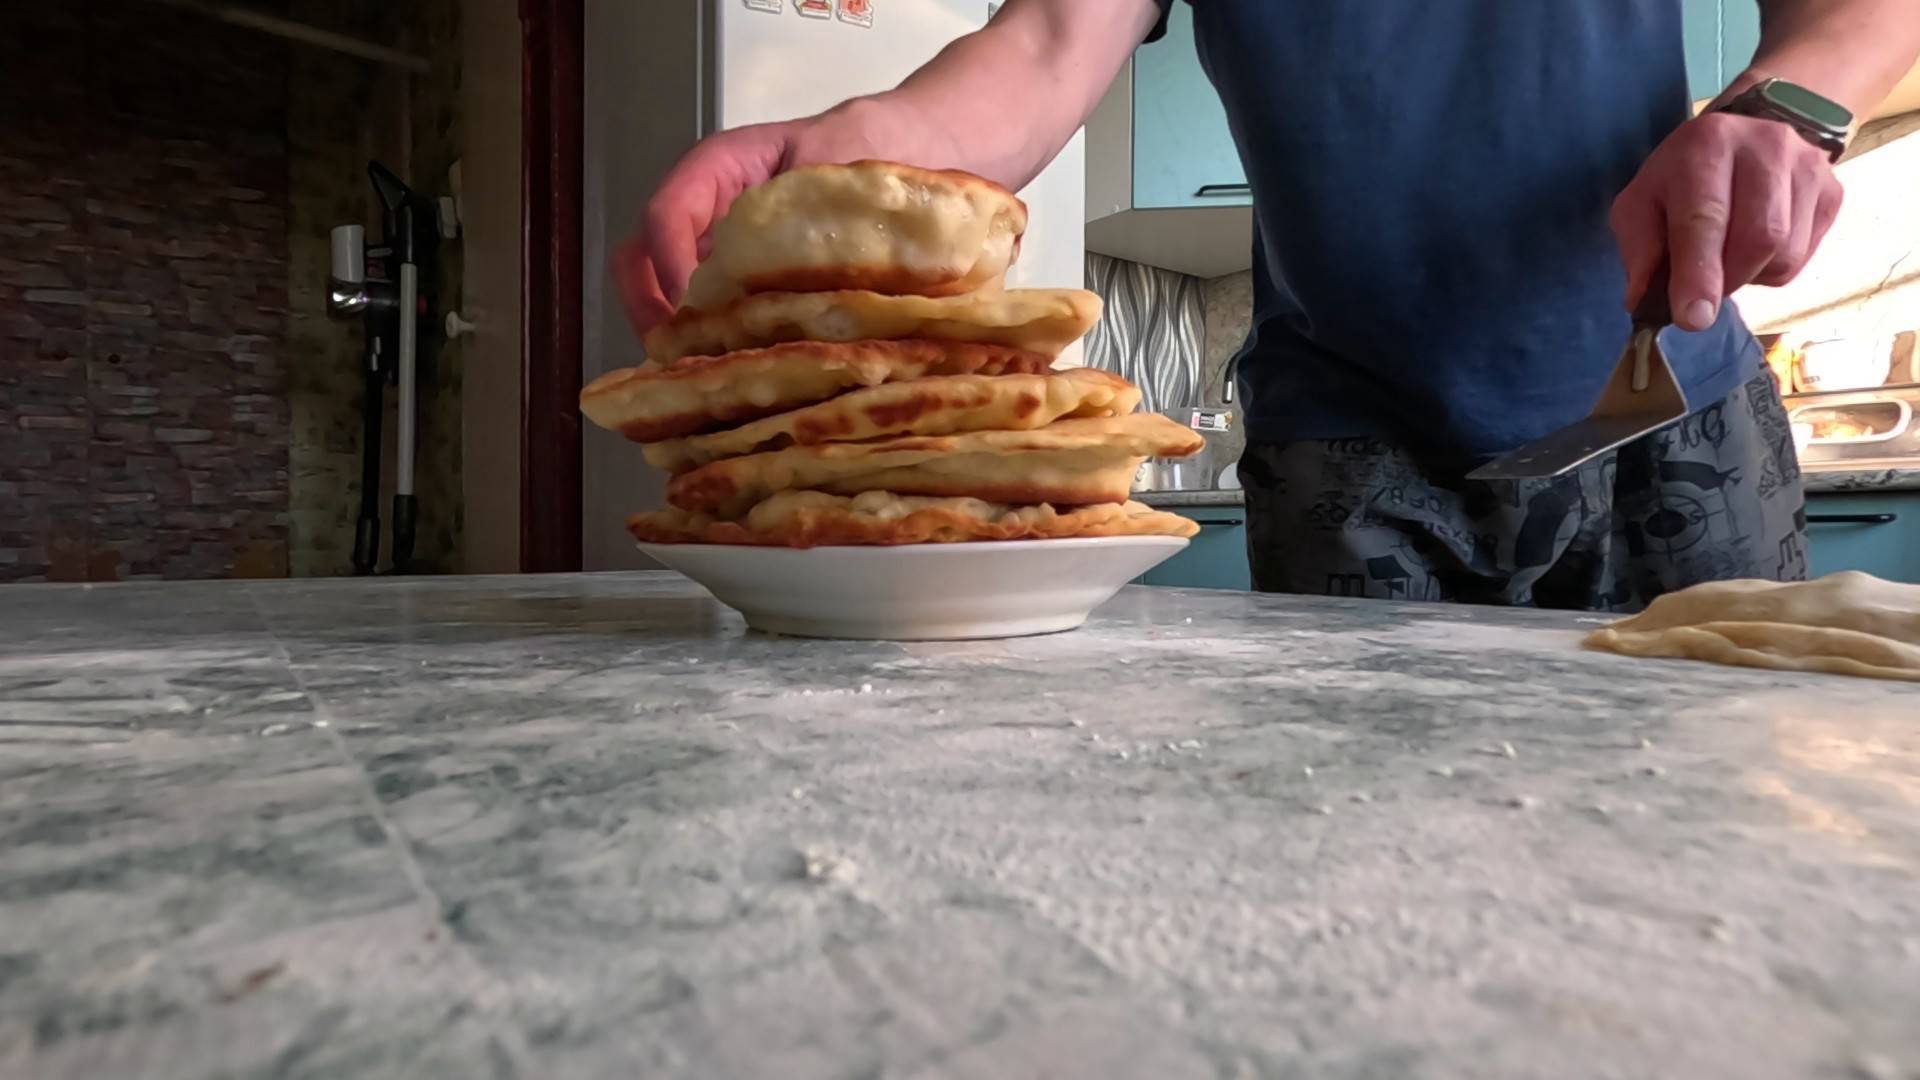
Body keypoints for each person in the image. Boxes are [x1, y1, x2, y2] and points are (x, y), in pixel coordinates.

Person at [616, 0, 1920, 611]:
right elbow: (1048, 44)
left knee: (1705, 825)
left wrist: (1787, 102)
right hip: (1347, 454)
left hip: (1671, 412)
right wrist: (855, 164)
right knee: (1370, 861)